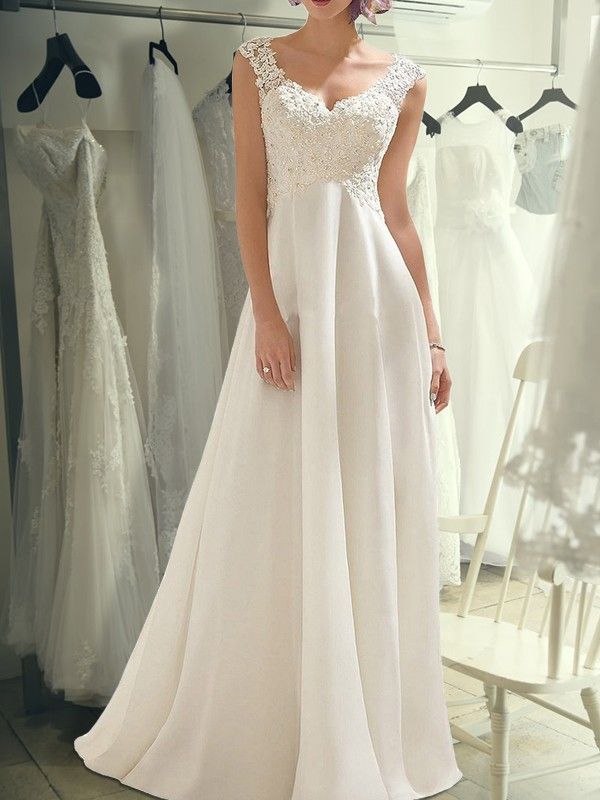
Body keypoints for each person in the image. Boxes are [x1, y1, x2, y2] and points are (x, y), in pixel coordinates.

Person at [74, 1, 463, 797]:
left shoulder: (407, 80)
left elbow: (396, 215)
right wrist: (268, 316)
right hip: (289, 305)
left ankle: (359, 725)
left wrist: (432, 333)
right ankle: (270, 720)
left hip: (375, 318)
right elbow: (250, 198)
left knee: (360, 502)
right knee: (268, 502)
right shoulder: (255, 64)